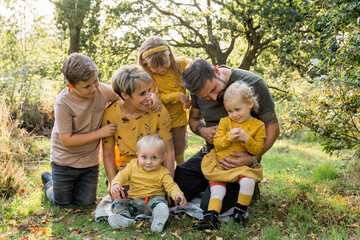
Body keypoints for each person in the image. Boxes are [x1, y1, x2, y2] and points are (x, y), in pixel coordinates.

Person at [174, 59, 280, 215]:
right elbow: (194, 120)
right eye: (207, 97)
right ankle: (211, 182)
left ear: (216, 71)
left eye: (214, 89)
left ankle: (246, 186)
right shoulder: (198, 88)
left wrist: (253, 159)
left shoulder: (253, 83)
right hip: (210, 155)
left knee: (208, 207)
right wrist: (203, 131)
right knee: (174, 187)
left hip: (237, 161)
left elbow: (273, 127)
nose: (215, 97)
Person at [41, 53, 119, 206]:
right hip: (64, 161)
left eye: (95, 80)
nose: (94, 88)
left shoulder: (101, 89)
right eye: (87, 86)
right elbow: (67, 140)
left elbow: (122, 97)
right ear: (71, 86)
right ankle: (49, 183)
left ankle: (73, 188)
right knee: (62, 202)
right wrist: (101, 133)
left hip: (90, 161)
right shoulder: (63, 103)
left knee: (85, 203)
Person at [193, 82, 266, 230]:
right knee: (217, 190)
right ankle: (211, 218)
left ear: (250, 103)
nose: (234, 115)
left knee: (248, 182)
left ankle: (239, 214)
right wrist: (229, 137)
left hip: (242, 167)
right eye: (229, 111)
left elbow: (257, 149)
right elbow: (217, 143)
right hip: (221, 165)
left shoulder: (258, 125)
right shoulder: (225, 122)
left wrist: (246, 139)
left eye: (237, 109)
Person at [101, 65, 175, 200]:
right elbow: (108, 154)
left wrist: (169, 187)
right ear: (125, 95)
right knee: (129, 198)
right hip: (126, 174)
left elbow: (169, 151)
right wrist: (113, 184)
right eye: (142, 94)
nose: (149, 97)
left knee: (163, 198)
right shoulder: (110, 114)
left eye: (149, 91)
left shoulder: (158, 110)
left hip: (156, 171)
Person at [108, 135, 187, 232]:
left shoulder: (163, 172)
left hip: (153, 200)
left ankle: (158, 219)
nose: (148, 162)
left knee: (161, 204)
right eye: (144, 157)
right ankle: (125, 219)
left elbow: (171, 185)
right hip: (134, 201)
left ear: (162, 158)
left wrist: (177, 195)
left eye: (154, 158)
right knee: (117, 203)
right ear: (138, 155)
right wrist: (116, 183)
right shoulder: (133, 165)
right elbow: (123, 174)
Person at [138, 36, 191, 165]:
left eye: (164, 63)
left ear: (170, 56)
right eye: (155, 67)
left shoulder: (182, 65)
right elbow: (153, 100)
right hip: (157, 121)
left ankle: (180, 177)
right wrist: (176, 96)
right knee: (159, 154)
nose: (161, 69)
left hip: (178, 120)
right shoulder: (145, 75)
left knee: (179, 154)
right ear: (146, 64)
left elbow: (198, 74)